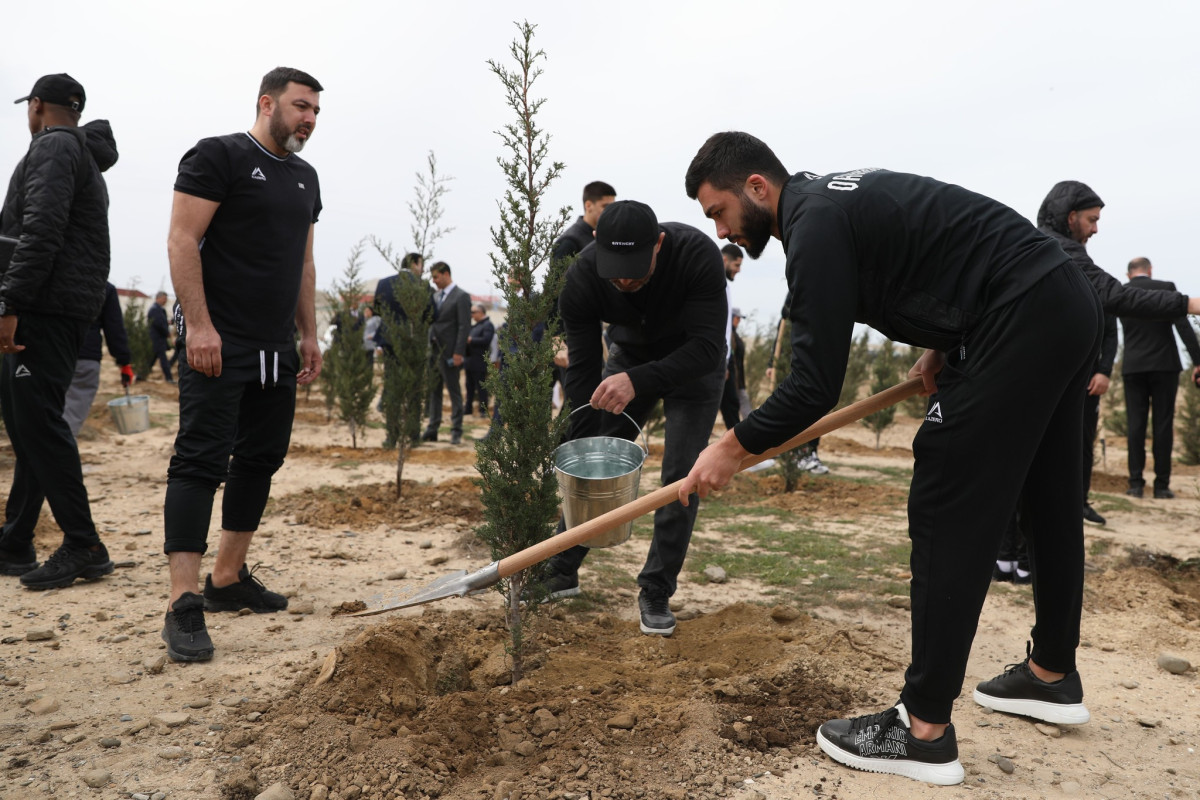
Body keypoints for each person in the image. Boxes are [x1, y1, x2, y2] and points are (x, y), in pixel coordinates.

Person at [682, 132, 1106, 786]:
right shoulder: (835, 200)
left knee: (945, 497)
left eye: (719, 211)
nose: (721, 229)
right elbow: (944, 253)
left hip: (1021, 310)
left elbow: (812, 385)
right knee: (1049, 498)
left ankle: (922, 729)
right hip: (1062, 300)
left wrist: (732, 448)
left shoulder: (814, 225)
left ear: (757, 188)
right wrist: (945, 342)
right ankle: (1051, 674)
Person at [161, 66, 323, 663]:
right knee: (200, 460)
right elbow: (182, 240)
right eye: (300, 106)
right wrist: (199, 325)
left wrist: (308, 334)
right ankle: (183, 603)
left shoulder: (306, 178)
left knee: (260, 457)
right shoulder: (218, 156)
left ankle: (226, 579)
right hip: (217, 344)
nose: (308, 119)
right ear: (267, 103)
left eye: (315, 112)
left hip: (275, 348)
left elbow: (303, 265)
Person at [544, 200, 727, 637]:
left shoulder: (697, 254)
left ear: (659, 244)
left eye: (635, 269)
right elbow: (585, 370)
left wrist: (638, 380)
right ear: (595, 244)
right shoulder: (584, 274)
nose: (624, 278)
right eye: (616, 269)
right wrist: (581, 449)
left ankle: (656, 588)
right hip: (628, 359)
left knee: (682, 477)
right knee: (597, 459)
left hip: (694, 367)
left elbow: (707, 348)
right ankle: (563, 565)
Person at [0, 74, 117, 589]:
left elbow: (39, 229)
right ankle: (15, 541)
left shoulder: (53, 147)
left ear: (38, 105)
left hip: (42, 310)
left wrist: (11, 302)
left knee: (40, 425)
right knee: (31, 426)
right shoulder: (78, 154)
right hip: (56, 308)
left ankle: (84, 544)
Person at [1034, 182, 1199, 510]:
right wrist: (1190, 304)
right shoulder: (1060, 251)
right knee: (1157, 428)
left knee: (1123, 431)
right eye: (1092, 220)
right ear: (1071, 217)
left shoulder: (1049, 246)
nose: (1095, 229)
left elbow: (1108, 323)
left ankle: (1124, 488)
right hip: (1067, 374)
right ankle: (1157, 486)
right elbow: (1117, 299)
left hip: (1118, 369)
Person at [1119, 257, 1200, 499]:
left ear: (1128, 274)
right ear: (1150, 271)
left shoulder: (1121, 293)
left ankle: (1135, 484)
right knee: (1163, 425)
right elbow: (1182, 325)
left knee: (1135, 425)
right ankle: (1161, 486)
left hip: (1133, 366)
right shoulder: (1166, 289)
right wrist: (1197, 361)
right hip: (1165, 365)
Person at [63, 281, 134, 436]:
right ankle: (56, 456)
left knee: (42, 412)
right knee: (71, 416)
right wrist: (124, 363)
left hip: (46, 353)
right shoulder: (103, 287)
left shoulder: (50, 276)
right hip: (85, 358)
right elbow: (114, 328)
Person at [373, 252, 428, 448]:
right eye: (421, 264)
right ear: (414, 263)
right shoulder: (422, 285)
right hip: (413, 343)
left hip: (390, 343)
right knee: (414, 390)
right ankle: (413, 436)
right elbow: (431, 314)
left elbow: (377, 309)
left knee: (393, 389)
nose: (422, 269)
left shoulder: (384, 283)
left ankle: (392, 436)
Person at [423, 261, 471, 445]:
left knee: (454, 392)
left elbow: (463, 326)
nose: (434, 281)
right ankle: (432, 429)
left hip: (450, 353)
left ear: (445, 274)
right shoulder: (435, 297)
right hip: (433, 351)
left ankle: (456, 430)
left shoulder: (461, 296)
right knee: (434, 391)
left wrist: (458, 352)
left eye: (436, 277)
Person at [551, 181, 617, 264]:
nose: (611, 211)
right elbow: (558, 276)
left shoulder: (606, 237)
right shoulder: (568, 242)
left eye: (613, 207)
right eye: (605, 206)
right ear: (588, 206)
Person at [465, 303, 494, 417]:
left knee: (481, 388)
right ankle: (468, 409)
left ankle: (483, 411)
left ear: (480, 312)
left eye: (473, 312)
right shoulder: (475, 326)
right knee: (469, 386)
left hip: (479, 361)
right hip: (470, 361)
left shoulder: (487, 325)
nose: (471, 315)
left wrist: (471, 340)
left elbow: (486, 339)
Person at [148, 290, 174, 383]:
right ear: (158, 298)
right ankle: (169, 378)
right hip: (157, 338)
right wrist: (167, 333)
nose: (165, 301)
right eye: (164, 299)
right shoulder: (155, 309)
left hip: (159, 339)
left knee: (153, 358)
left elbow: (162, 322)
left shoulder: (160, 309)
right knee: (163, 359)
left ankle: (141, 375)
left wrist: (169, 322)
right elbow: (159, 324)